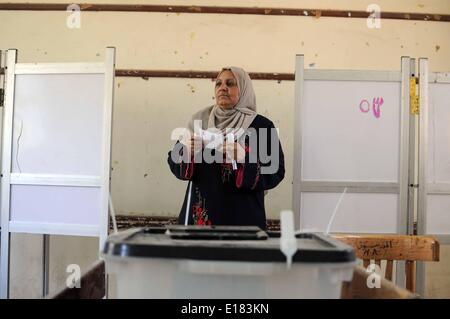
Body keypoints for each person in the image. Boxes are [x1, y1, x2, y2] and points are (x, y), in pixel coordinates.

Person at [167, 67, 285, 230]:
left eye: (230, 83)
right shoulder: (199, 120)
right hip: (201, 219)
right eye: (218, 84)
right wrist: (185, 150)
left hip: (243, 219)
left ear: (243, 89)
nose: (223, 88)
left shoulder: (261, 126)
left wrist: (245, 158)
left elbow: (276, 171)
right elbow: (174, 162)